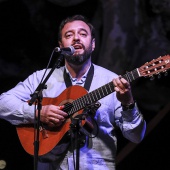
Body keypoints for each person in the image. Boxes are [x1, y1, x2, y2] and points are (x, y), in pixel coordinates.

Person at [0, 14, 146, 170]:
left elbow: (136, 136)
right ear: (61, 45)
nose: (76, 38)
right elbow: (2, 103)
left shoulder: (112, 81)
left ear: (93, 44)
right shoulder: (41, 78)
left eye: (83, 34)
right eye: (69, 35)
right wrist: (38, 113)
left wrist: (128, 103)